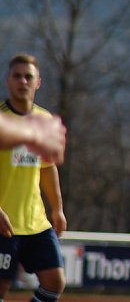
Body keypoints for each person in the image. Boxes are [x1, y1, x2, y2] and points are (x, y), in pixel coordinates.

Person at [0, 53, 67, 302]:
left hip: (36, 223)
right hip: (4, 225)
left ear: (38, 82)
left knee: (55, 282)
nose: (23, 81)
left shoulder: (45, 120)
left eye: (28, 76)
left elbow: (47, 167)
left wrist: (57, 209)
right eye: (17, 76)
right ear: (8, 80)